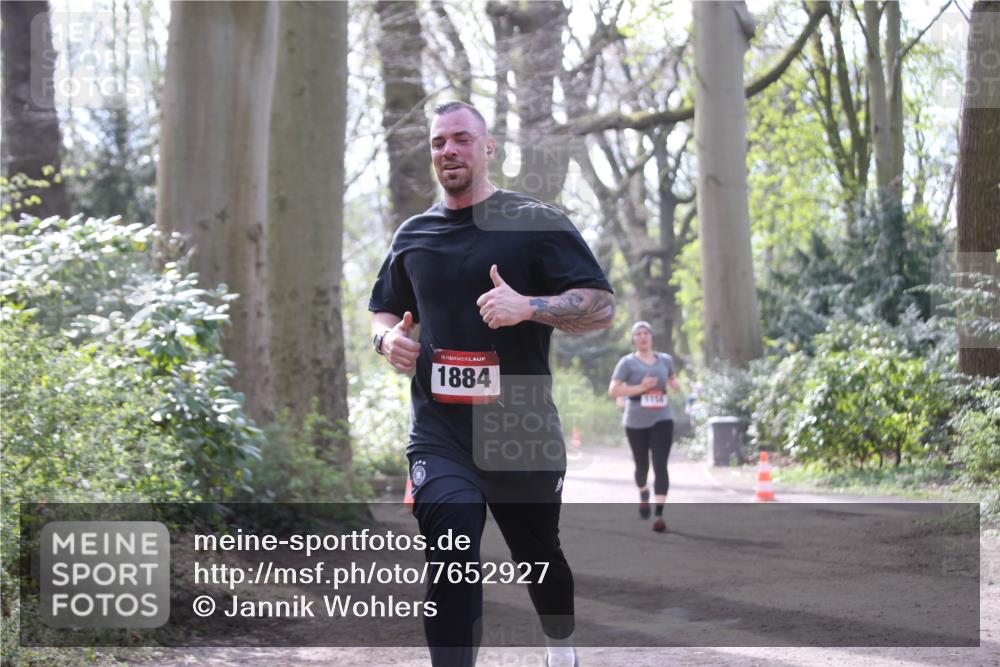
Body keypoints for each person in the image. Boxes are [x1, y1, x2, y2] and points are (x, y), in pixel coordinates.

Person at [369, 101, 615, 667]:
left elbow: (600, 307)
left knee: (538, 555)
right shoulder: (415, 235)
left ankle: (561, 647)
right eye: (437, 143)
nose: (447, 151)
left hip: (520, 426)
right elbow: (384, 312)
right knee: (451, 554)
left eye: (460, 139)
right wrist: (388, 342)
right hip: (440, 432)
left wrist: (526, 305)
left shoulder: (536, 222)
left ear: (488, 148)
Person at [607, 321, 680, 533]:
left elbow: (674, 382)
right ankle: (643, 492)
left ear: (651, 337)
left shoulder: (665, 360)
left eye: (645, 333)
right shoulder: (627, 363)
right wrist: (642, 387)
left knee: (660, 464)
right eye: (638, 334)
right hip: (635, 420)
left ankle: (659, 514)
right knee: (642, 468)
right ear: (634, 339)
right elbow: (614, 391)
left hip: (662, 418)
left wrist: (675, 385)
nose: (642, 337)